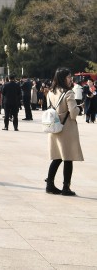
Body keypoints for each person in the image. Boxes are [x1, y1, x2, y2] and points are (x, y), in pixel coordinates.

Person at [45, 68, 83, 196]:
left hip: (54, 127)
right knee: (68, 157)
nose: (71, 79)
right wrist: (79, 108)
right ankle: (66, 187)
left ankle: (49, 184)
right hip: (66, 128)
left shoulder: (50, 92)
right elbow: (73, 113)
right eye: (69, 77)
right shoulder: (69, 93)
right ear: (63, 78)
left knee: (57, 158)